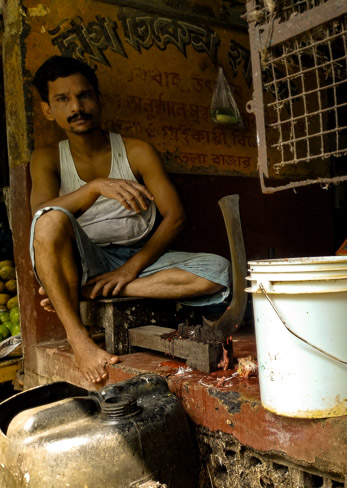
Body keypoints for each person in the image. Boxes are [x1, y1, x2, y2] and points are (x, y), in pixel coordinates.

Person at [29, 55, 231, 384]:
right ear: (48, 110)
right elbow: (42, 217)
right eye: (62, 99)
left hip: (140, 257)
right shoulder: (48, 157)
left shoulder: (136, 151)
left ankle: (85, 293)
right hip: (85, 260)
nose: (76, 107)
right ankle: (79, 340)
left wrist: (128, 269)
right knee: (50, 221)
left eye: (84, 95)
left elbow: (175, 217)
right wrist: (95, 188)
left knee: (220, 271)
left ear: (98, 99)